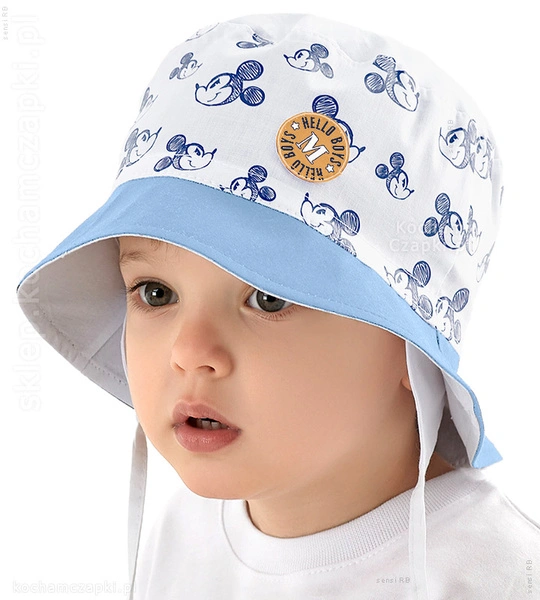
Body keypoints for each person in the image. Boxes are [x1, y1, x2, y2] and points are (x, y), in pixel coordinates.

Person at [16, 12, 540, 600]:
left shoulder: (501, 576)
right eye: (156, 292)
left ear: (410, 344)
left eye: (267, 298)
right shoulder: (186, 532)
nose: (190, 352)